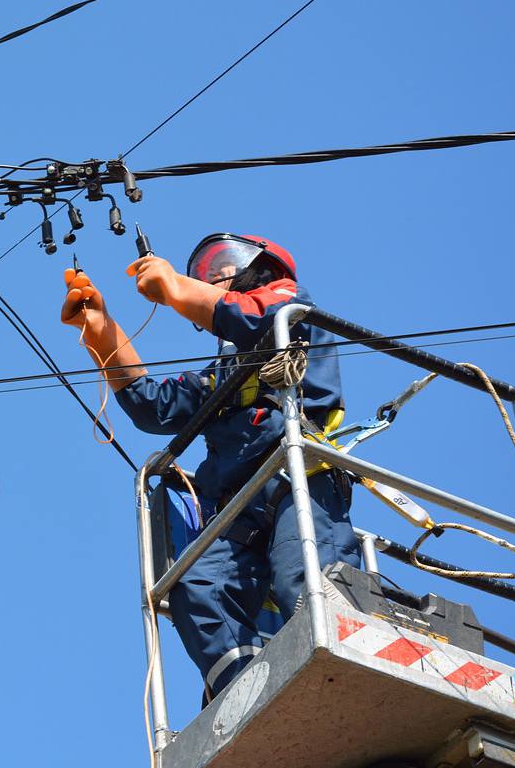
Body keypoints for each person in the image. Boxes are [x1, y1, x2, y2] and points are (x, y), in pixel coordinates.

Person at [59, 233, 360, 697]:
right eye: (204, 271)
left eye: (225, 263)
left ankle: (336, 670)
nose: (214, 274)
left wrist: (179, 289)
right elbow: (154, 407)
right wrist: (103, 332)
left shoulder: (288, 305)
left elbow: (258, 317)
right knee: (197, 584)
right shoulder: (224, 371)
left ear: (263, 266)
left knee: (301, 575)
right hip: (238, 505)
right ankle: (244, 691)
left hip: (297, 476)